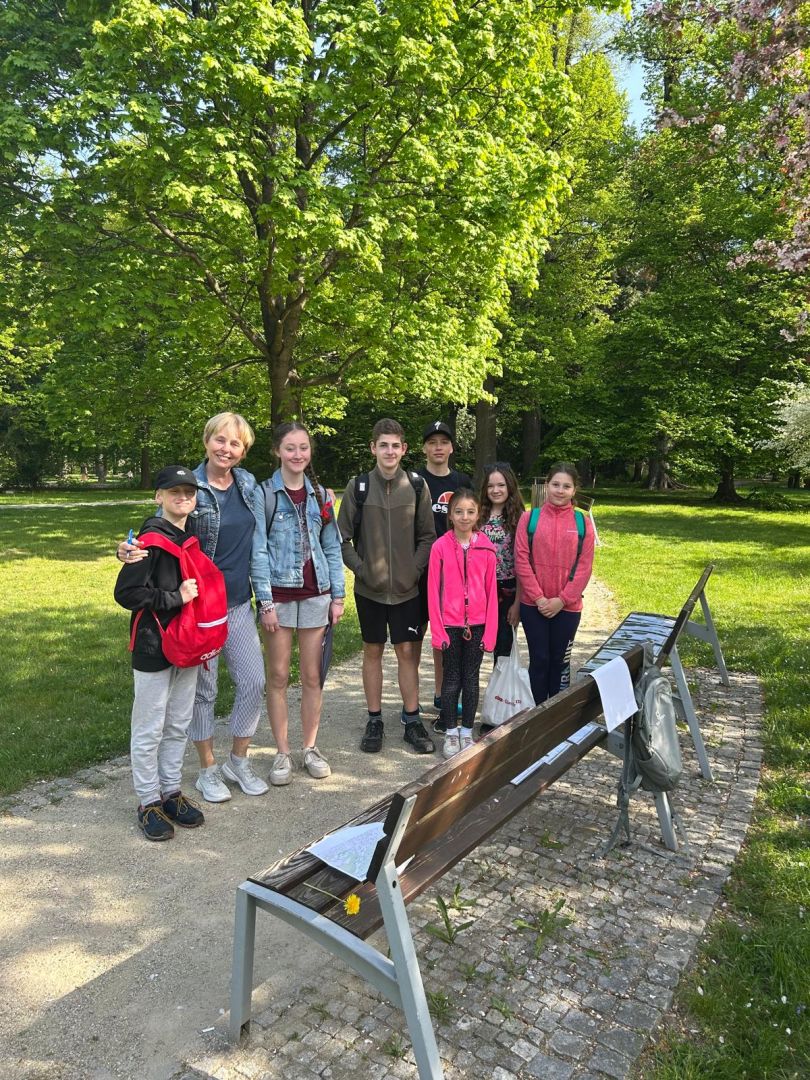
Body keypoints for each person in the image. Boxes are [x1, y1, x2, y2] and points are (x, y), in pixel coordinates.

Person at [117, 413, 268, 803]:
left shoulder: (248, 484)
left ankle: (238, 761)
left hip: (237, 602)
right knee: (202, 693)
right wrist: (129, 550)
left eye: (235, 443)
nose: (226, 449)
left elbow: (260, 543)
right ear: (207, 441)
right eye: (220, 439)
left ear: (244, 451)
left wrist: (265, 597)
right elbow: (159, 534)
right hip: (195, 609)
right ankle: (206, 770)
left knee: (254, 682)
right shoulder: (189, 486)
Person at [114, 466, 208, 841]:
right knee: (149, 727)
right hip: (154, 643)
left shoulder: (191, 534)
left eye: (189, 492)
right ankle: (148, 801)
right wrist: (175, 597)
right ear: (159, 497)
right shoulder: (148, 540)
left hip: (187, 642)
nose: (182, 498)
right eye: (174, 492)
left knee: (178, 722)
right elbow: (127, 593)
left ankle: (171, 792)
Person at [251, 422, 346, 786]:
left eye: (303, 447)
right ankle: (282, 752)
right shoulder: (264, 494)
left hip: (316, 594)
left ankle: (310, 747)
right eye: (290, 448)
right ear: (277, 451)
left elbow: (332, 546)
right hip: (278, 596)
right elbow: (258, 550)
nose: (297, 454)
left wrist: (338, 596)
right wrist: (265, 602)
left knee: (312, 676)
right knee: (277, 676)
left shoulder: (321, 495)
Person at [337, 418, 436, 755]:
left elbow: (427, 537)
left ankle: (412, 720)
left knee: (407, 652)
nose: (390, 451)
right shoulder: (359, 486)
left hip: (408, 590)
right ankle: (375, 720)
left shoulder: (418, 486)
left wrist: (414, 570)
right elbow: (342, 538)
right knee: (373, 650)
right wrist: (362, 569)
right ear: (373, 448)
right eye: (384, 445)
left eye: (395, 445)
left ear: (404, 449)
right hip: (370, 589)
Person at [514, 462, 595, 704]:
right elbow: (521, 560)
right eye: (555, 484)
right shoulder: (530, 518)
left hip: (567, 608)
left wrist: (562, 600)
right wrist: (539, 598)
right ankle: (536, 714)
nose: (560, 490)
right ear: (546, 485)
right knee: (539, 659)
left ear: (574, 490)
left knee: (560, 662)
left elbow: (584, 567)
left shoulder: (583, 523)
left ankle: (558, 715)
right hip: (533, 605)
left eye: (566, 486)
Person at [427, 488, 498, 758]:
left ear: (478, 514)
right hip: (450, 626)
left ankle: (467, 730)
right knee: (451, 679)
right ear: (450, 515)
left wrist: (490, 633)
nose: (464, 517)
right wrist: (438, 631)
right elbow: (433, 591)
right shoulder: (440, 547)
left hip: (477, 626)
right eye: (458, 511)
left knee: (471, 679)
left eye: (470, 512)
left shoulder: (487, 549)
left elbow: (492, 594)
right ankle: (450, 731)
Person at [415, 421, 473, 727]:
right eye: (432, 442)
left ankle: (443, 695)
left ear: (451, 447)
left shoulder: (462, 481)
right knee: (413, 639)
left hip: (452, 573)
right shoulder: (413, 480)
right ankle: (411, 702)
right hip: (420, 569)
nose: (438, 447)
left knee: (448, 637)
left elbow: (471, 520)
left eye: (443, 442)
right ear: (424, 447)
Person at [478, 463, 525, 735]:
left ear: (510, 486)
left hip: (508, 592)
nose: (495, 490)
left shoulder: (519, 518)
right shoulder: (477, 515)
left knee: (503, 652)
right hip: (479, 592)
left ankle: (499, 709)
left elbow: (524, 563)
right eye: (491, 485)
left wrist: (518, 603)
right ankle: (471, 705)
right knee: (475, 650)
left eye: (501, 485)